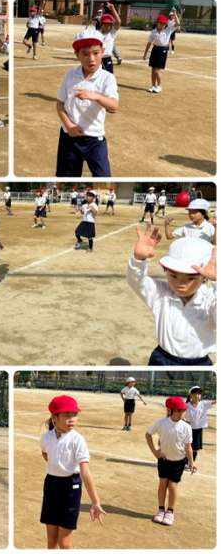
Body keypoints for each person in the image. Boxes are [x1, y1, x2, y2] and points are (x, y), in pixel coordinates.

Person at [127, 223, 216, 365]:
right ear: (165, 270)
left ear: (204, 277)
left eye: (190, 278)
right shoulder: (161, 293)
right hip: (162, 358)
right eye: (173, 276)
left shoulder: (211, 299)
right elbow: (137, 281)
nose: (180, 283)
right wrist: (138, 260)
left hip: (198, 364)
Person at [40, 395, 105, 548]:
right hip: (51, 485)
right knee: (51, 540)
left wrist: (96, 502)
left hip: (71, 487)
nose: (72, 419)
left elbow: (85, 472)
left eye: (74, 415)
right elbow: (45, 454)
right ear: (54, 418)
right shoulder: (46, 438)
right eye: (67, 415)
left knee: (64, 542)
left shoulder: (77, 439)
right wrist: (57, 465)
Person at [56, 29, 119, 177]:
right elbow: (59, 104)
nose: (91, 58)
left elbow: (114, 105)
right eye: (85, 54)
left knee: (103, 177)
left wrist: (94, 96)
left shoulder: (107, 78)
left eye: (96, 53)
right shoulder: (70, 75)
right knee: (66, 177)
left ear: (103, 52)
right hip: (69, 137)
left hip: (95, 139)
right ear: (76, 54)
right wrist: (69, 126)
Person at [145, 396, 195, 526]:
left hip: (178, 461)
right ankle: (161, 510)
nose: (181, 413)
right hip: (163, 460)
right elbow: (148, 434)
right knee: (162, 484)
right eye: (178, 410)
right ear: (170, 410)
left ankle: (170, 511)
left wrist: (191, 462)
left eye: (183, 410)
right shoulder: (161, 423)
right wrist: (155, 452)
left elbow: (188, 447)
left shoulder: (186, 427)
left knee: (172, 486)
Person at [143, 10, 180, 93]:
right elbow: (149, 43)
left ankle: (159, 86)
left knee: (157, 71)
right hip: (155, 50)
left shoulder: (168, 30)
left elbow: (178, 23)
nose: (162, 25)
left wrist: (175, 14)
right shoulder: (153, 32)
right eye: (160, 23)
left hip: (162, 50)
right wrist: (145, 54)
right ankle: (153, 85)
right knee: (153, 70)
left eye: (164, 24)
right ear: (157, 23)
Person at [184, 385, 216, 464]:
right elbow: (180, 413)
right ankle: (185, 461)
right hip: (188, 429)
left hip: (198, 430)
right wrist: (184, 420)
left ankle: (191, 462)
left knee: (195, 448)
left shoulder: (203, 404)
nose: (197, 395)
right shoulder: (186, 405)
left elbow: (214, 402)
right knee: (187, 446)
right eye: (194, 393)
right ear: (190, 395)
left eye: (199, 394)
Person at [99, 3, 121, 74]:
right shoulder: (96, 33)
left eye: (109, 24)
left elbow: (118, 22)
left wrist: (113, 8)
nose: (107, 26)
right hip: (98, 59)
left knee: (109, 77)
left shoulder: (111, 33)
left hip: (107, 59)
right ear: (101, 24)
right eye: (105, 24)